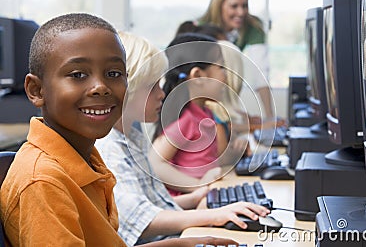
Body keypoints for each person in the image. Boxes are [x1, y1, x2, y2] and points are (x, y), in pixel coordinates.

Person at [0, 13, 238, 247]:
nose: (100, 87)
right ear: (36, 90)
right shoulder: (44, 181)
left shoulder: (86, 157)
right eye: (78, 74)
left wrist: (185, 244)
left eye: (114, 74)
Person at [96, 31, 270, 245]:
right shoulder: (109, 149)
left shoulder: (132, 138)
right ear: (124, 89)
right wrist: (212, 214)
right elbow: (142, 221)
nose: (161, 94)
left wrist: (197, 198)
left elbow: (156, 204)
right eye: (153, 87)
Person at [149, 32, 244, 195]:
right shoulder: (187, 120)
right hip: (188, 205)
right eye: (221, 68)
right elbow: (155, 164)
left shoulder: (205, 113)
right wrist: (199, 185)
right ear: (198, 76)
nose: (226, 77)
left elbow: (207, 160)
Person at [198, 0, 278, 126]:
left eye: (244, 6)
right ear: (219, 6)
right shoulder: (200, 30)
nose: (241, 12)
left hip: (223, 102)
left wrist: (269, 118)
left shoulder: (252, 27)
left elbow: (261, 74)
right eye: (234, 6)